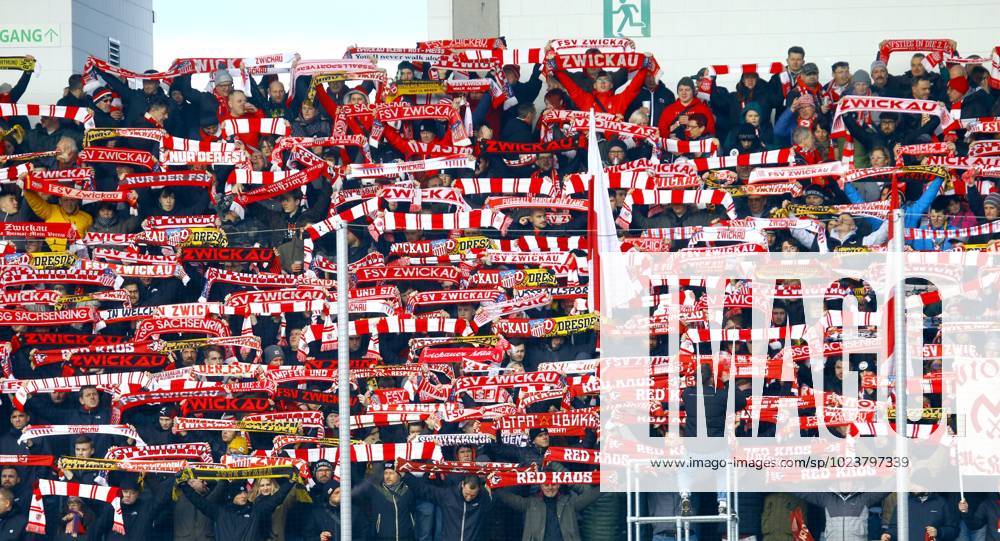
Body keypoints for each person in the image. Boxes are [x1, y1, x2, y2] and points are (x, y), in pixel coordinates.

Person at [178, 474, 297, 541]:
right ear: (232, 496)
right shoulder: (220, 512)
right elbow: (199, 502)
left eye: (245, 492)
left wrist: (291, 482)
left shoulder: (256, 511)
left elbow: (276, 499)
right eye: (239, 493)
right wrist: (183, 485)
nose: (243, 495)